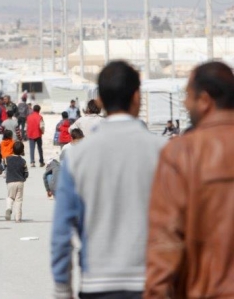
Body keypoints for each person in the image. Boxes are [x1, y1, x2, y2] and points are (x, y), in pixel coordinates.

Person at [51, 61, 167, 298]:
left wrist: (62, 289)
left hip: (97, 283)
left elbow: (62, 231)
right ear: (137, 97)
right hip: (153, 282)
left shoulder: (77, 156)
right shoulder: (165, 152)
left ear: (100, 100)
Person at [145, 61, 234, 298]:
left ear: (204, 100)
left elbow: (165, 242)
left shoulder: (182, 153)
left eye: (188, 96)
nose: (185, 103)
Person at [4, 141, 28, 223]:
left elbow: (3, 167)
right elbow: (26, 173)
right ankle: (18, 218)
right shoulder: (23, 161)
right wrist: (24, 178)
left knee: (10, 197)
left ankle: (8, 208)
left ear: (12, 149)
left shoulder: (7, 159)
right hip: (20, 182)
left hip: (10, 181)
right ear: (22, 151)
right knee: (18, 200)